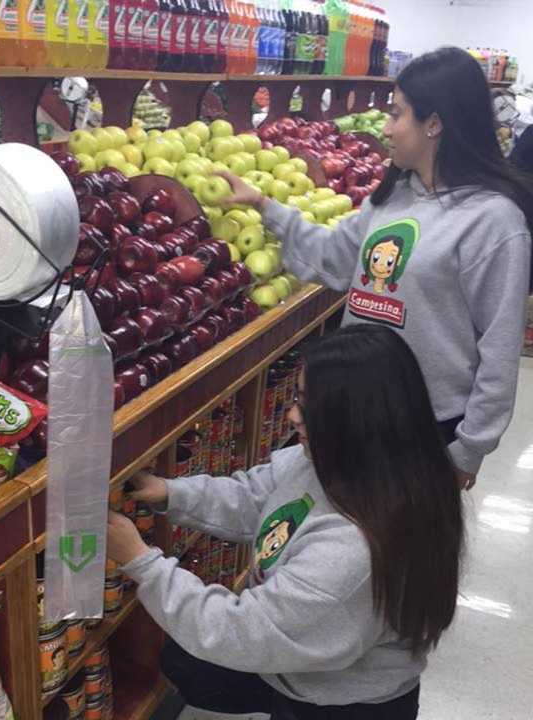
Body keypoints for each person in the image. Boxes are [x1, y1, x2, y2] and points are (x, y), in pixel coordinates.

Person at [107, 325, 464, 720]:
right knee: (184, 658)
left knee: (201, 649)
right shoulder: (347, 460)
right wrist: (172, 494)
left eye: (309, 406)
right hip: (308, 665)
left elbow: (243, 630)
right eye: (297, 396)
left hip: (341, 705)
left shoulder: (351, 551)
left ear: (355, 419)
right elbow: (257, 495)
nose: (293, 414)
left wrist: (141, 561)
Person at [219, 46, 533, 490]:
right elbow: (332, 257)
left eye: (397, 114)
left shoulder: (493, 222)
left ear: (434, 123)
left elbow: (500, 350)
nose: (385, 128)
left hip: (425, 427)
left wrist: (469, 449)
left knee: (398, 550)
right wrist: (265, 207)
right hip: (356, 409)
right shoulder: (392, 199)